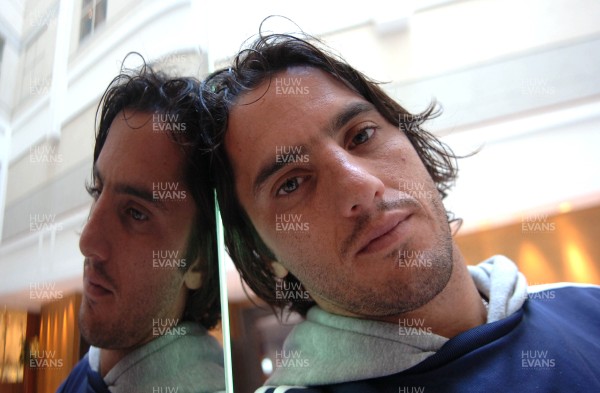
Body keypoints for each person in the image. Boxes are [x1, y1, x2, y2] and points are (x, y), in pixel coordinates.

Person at [202, 34, 600, 392]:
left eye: (361, 135)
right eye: (290, 183)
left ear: (412, 143)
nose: (360, 186)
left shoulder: (589, 309)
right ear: (264, 253)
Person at [57, 59, 225, 393]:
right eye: (97, 190)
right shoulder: (90, 371)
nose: (87, 241)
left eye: (136, 213)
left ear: (199, 263)